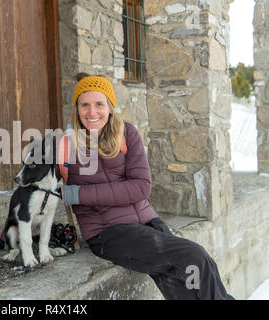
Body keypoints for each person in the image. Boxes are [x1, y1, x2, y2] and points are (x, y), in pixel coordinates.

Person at [58, 73, 234, 300]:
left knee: (188, 274)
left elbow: (141, 187)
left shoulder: (127, 132)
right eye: (85, 105)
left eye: (99, 104)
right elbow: (36, 187)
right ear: (77, 109)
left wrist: (79, 194)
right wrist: (12, 232)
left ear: (110, 107)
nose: (92, 113)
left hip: (147, 221)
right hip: (107, 233)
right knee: (195, 257)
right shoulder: (65, 146)